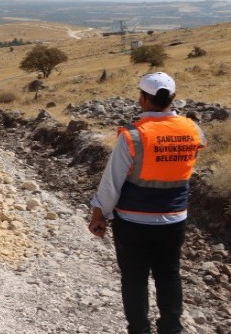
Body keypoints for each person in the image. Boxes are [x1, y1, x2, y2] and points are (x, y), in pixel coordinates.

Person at [88, 72, 206, 334]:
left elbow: (112, 183)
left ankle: (139, 330)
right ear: (173, 99)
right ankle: (171, 329)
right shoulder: (193, 130)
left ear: (142, 99)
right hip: (174, 219)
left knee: (134, 280)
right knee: (169, 274)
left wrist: (99, 214)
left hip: (133, 221)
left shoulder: (133, 135)